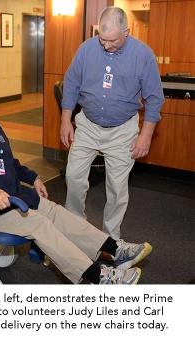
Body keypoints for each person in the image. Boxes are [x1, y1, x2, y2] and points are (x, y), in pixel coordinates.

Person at [0, 74, 153, 285]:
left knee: (57, 213)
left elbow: (10, 163)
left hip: (16, 199)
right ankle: (100, 278)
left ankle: (115, 250)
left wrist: (34, 178)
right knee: (40, 224)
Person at [60, 7, 164, 260]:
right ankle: (76, 231)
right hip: (88, 125)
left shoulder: (143, 55)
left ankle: (111, 243)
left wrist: (146, 135)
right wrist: (65, 121)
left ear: (126, 32)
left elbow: (154, 98)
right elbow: (71, 84)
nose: (106, 46)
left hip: (123, 131)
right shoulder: (86, 49)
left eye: (112, 40)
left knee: (117, 188)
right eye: (102, 39)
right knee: (73, 177)